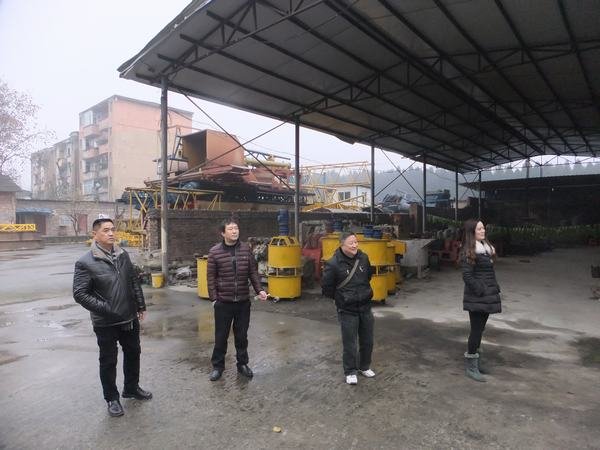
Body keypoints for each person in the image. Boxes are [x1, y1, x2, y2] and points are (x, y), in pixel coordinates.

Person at [73, 217, 152, 417]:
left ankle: (131, 388)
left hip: (129, 317)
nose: (111, 233)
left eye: (112, 229)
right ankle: (112, 399)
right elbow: (80, 294)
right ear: (95, 234)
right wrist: (106, 308)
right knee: (108, 360)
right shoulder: (85, 262)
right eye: (106, 230)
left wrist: (140, 305)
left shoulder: (123, 255)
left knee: (133, 353)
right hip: (105, 321)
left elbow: (133, 281)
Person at [207, 219, 268, 381]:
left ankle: (242, 364)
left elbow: (253, 272)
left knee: (241, 336)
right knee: (221, 337)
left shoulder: (246, 249)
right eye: (231, 229)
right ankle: (218, 367)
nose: (235, 231)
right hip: (223, 302)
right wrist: (214, 299)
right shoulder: (214, 252)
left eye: (236, 228)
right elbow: (211, 278)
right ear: (223, 233)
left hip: (242, 301)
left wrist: (260, 290)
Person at [322, 232, 375, 385]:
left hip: (365, 306)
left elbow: (368, 276)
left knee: (368, 340)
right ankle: (350, 371)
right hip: (347, 310)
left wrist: (363, 293)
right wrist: (341, 299)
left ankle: (364, 366)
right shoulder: (333, 264)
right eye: (351, 243)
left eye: (356, 242)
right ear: (342, 244)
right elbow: (327, 288)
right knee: (350, 343)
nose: (355, 245)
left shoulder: (363, 258)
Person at [460, 219, 502, 382]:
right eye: (479, 229)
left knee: (480, 329)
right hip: (477, 297)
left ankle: (476, 362)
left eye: (483, 228)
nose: (483, 231)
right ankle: (471, 366)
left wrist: (494, 287)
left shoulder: (485, 250)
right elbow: (467, 276)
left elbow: (487, 274)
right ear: (472, 232)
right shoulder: (469, 251)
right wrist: (481, 290)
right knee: (476, 330)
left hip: (486, 296)